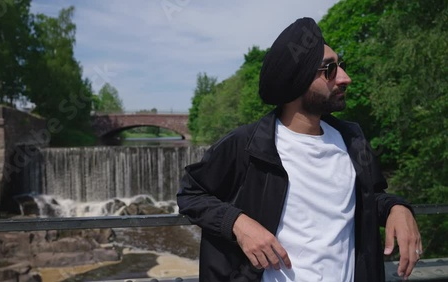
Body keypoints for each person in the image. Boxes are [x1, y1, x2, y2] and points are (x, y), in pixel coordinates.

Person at [176, 17, 422, 282]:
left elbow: (368, 199)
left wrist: (398, 207)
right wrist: (238, 223)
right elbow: (191, 194)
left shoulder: (353, 140)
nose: (345, 78)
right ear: (297, 80)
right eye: (329, 70)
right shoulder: (248, 145)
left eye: (342, 66)